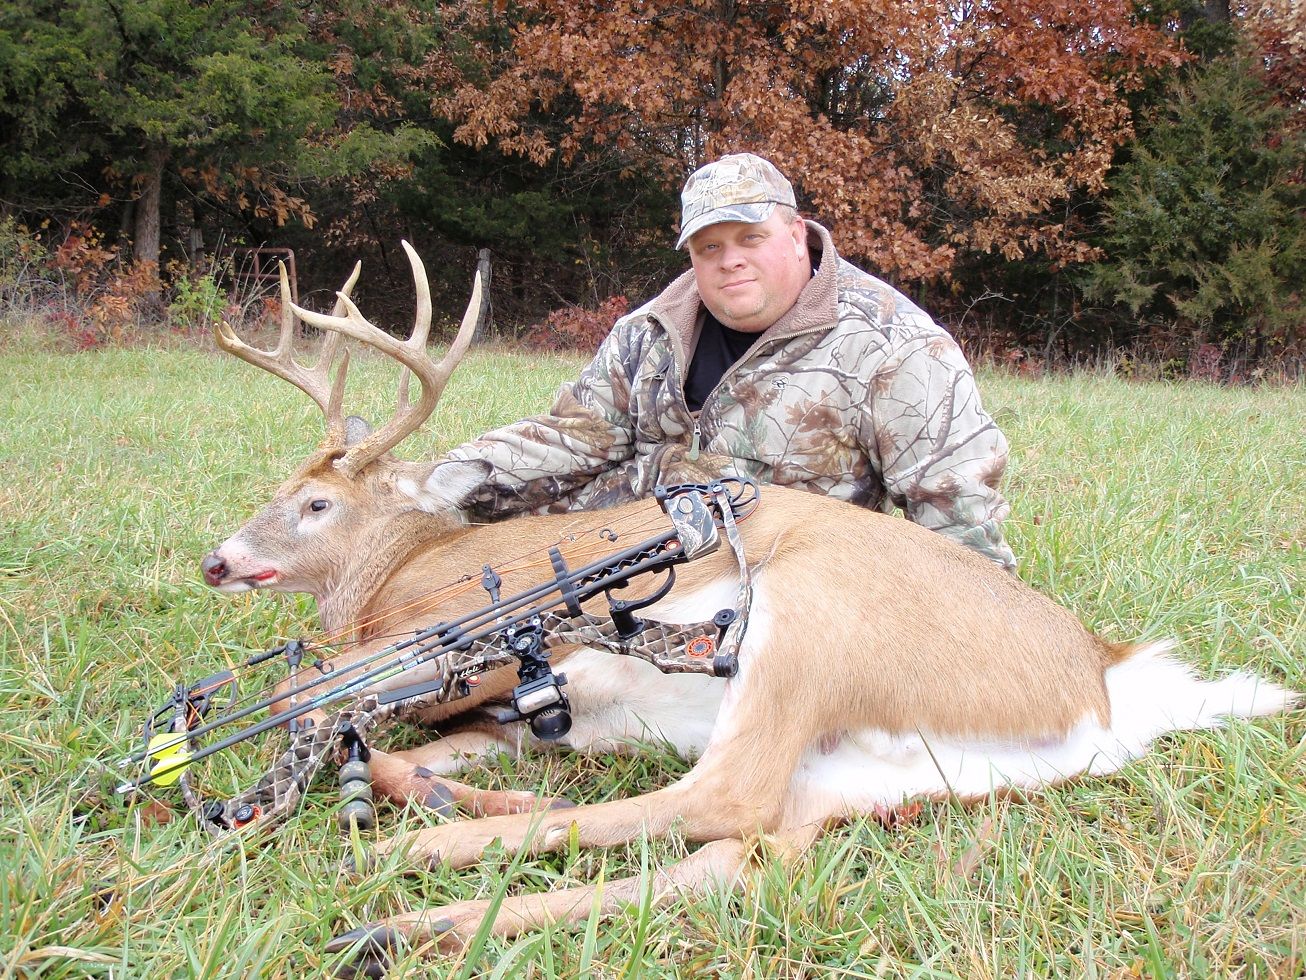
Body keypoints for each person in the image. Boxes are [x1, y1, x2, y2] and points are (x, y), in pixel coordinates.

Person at [444, 152, 1016, 569]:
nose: (729, 261)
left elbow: (960, 527)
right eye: (709, 247)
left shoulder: (896, 349)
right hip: (624, 560)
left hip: (780, 582)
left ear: (796, 235)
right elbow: (576, 435)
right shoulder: (650, 332)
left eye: (750, 238)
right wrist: (442, 479)